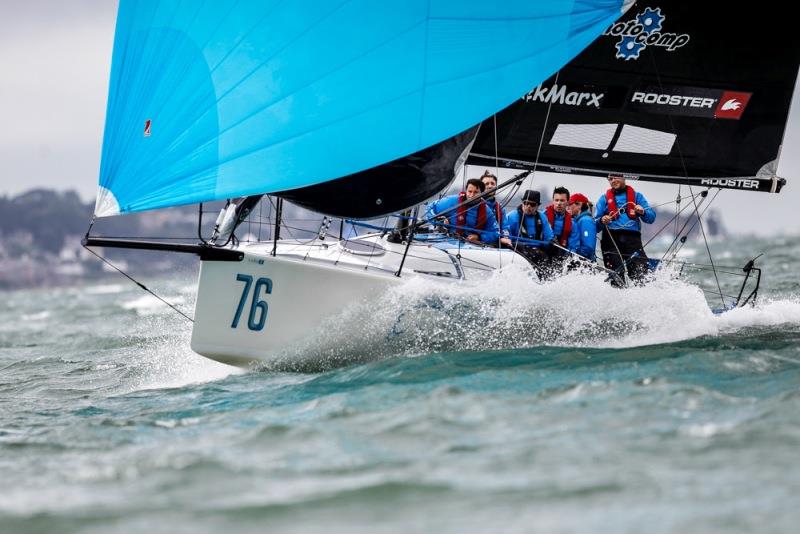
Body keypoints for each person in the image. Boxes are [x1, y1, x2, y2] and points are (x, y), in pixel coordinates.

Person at [594, 174, 656, 282]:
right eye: (610, 179)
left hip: (632, 239)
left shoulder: (637, 197)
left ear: (624, 177)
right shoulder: (603, 199)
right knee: (616, 277)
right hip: (611, 240)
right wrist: (601, 220)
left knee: (642, 275)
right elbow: (594, 225)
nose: (613, 180)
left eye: (616, 177)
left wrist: (643, 212)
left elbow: (651, 218)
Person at [424, 178, 504, 244]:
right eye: (469, 191)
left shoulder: (487, 211)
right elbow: (429, 208)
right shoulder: (451, 201)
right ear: (466, 191)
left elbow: (495, 233)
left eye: (476, 192)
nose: (472, 195)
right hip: (448, 241)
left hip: (471, 247)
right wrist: (438, 221)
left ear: (482, 193)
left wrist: (479, 237)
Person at [505, 189, 553, 268]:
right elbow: (506, 235)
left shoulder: (542, 218)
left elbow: (548, 236)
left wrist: (551, 242)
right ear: (522, 203)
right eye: (526, 203)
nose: (528, 206)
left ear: (537, 206)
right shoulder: (511, 216)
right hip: (518, 251)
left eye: (532, 204)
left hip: (537, 251)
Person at [567, 193, 596, 261]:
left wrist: (572, 256)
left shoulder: (586, 220)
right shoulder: (579, 220)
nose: (568, 207)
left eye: (570, 204)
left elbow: (588, 247)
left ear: (579, 205)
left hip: (585, 263)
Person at [480, 170, 509, 238]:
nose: (490, 186)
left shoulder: (500, 208)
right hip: (478, 242)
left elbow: (505, 228)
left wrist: (505, 237)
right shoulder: (475, 205)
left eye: (492, 184)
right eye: (486, 184)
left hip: (496, 242)